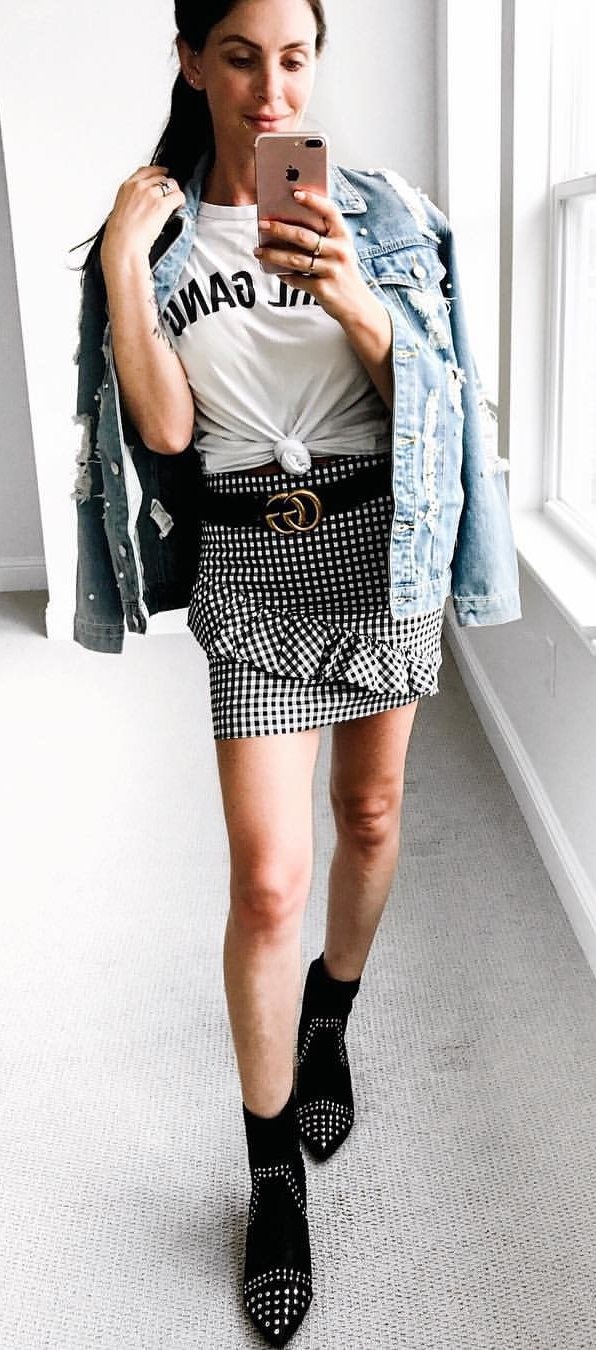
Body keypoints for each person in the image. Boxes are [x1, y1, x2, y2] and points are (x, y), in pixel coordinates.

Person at [71, 0, 521, 1342]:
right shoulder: (152, 231)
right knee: (268, 878)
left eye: (296, 57)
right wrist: (113, 267)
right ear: (191, 61)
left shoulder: (379, 211)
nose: (273, 90)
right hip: (251, 565)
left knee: (370, 815)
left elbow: (440, 391)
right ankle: (274, 1171)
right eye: (241, 56)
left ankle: (335, 1011)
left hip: (379, 539)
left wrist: (358, 305)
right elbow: (161, 423)